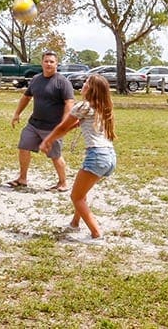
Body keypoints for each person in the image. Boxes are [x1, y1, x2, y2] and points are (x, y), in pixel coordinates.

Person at [40, 74, 117, 243]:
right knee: (82, 192)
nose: (83, 85)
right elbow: (75, 125)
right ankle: (75, 223)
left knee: (76, 197)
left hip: (97, 156)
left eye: (86, 83)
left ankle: (96, 234)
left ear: (91, 89)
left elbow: (63, 126)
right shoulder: (102, 107)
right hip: (109, 156)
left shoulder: (83, 106)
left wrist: (48, 140)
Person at [7, 50, 74, 191]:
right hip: (34, 124)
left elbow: (69, 103)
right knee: (24, 147)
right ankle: (22, 178)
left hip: (53, 128)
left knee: (55, 155)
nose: (48, 64)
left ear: (57, 64)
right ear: (42, 63)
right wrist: (17, 113)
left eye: (52, 61)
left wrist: (64, 124)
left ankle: (63, 182)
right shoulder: (36, 79)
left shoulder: (63, 82)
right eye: (46, 61)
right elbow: (26, 97)